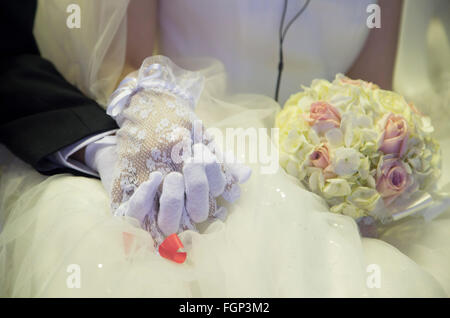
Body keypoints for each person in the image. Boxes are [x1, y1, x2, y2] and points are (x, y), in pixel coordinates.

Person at [0, 0, 449, 297]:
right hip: (194, 134)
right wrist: (156, 112)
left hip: (314, 163)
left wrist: (362, 170)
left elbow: (369, 89)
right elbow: (128, 60)